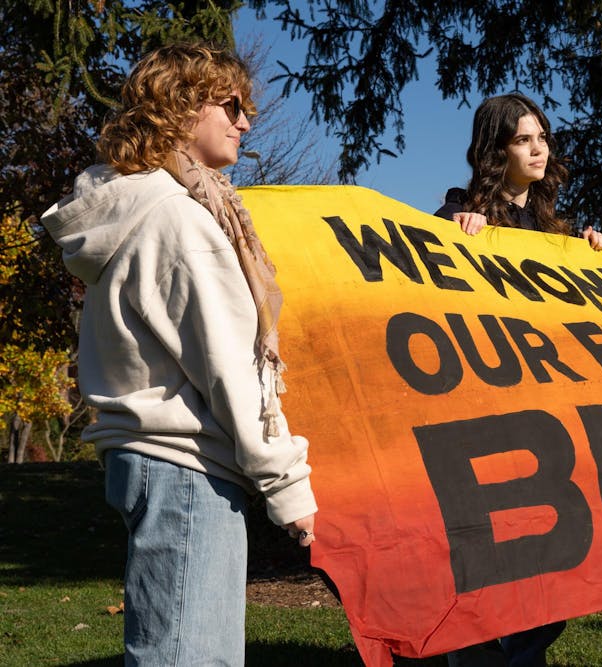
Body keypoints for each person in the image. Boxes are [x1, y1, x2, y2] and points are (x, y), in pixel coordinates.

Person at [40, 43, 317, 665]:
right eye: (232, 105)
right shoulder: (176, 218)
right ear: (182, 106)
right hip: (186, 466)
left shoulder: (143, 209)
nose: (246, 121)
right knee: (191, 657)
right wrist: (289, 490)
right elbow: (229, 370)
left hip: (153, 463)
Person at [433, 92, 602, 667]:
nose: (538, 149)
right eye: (523, 139)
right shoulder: (456, 214)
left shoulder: (556, 227)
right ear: (495, 150)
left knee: (562, 553)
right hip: (483, 415)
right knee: (487, 555)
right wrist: (453, 240)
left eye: (542, 138)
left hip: (549, 416)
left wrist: (596, 259)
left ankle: (511, 654)